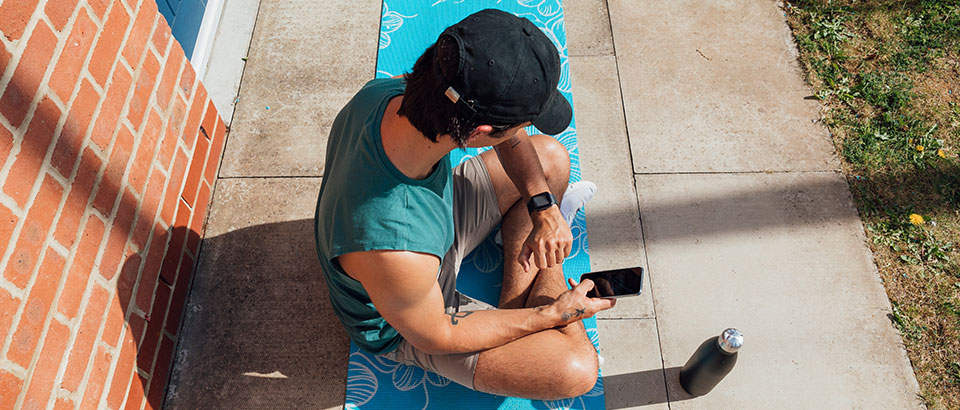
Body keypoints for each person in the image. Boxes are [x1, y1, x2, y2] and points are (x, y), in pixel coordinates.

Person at [313, 9, 614, 400]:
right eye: (519, 125)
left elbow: (509, 138)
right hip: (412, 307)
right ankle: (539, 291)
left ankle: (515, 305)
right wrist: (552, 314)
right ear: (479, 131)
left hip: (430, 225)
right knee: (576, 370)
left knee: (551, 159)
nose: (520, 134)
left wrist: (543, 209)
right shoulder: (394, 244)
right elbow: (438, 333)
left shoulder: (388, 93)